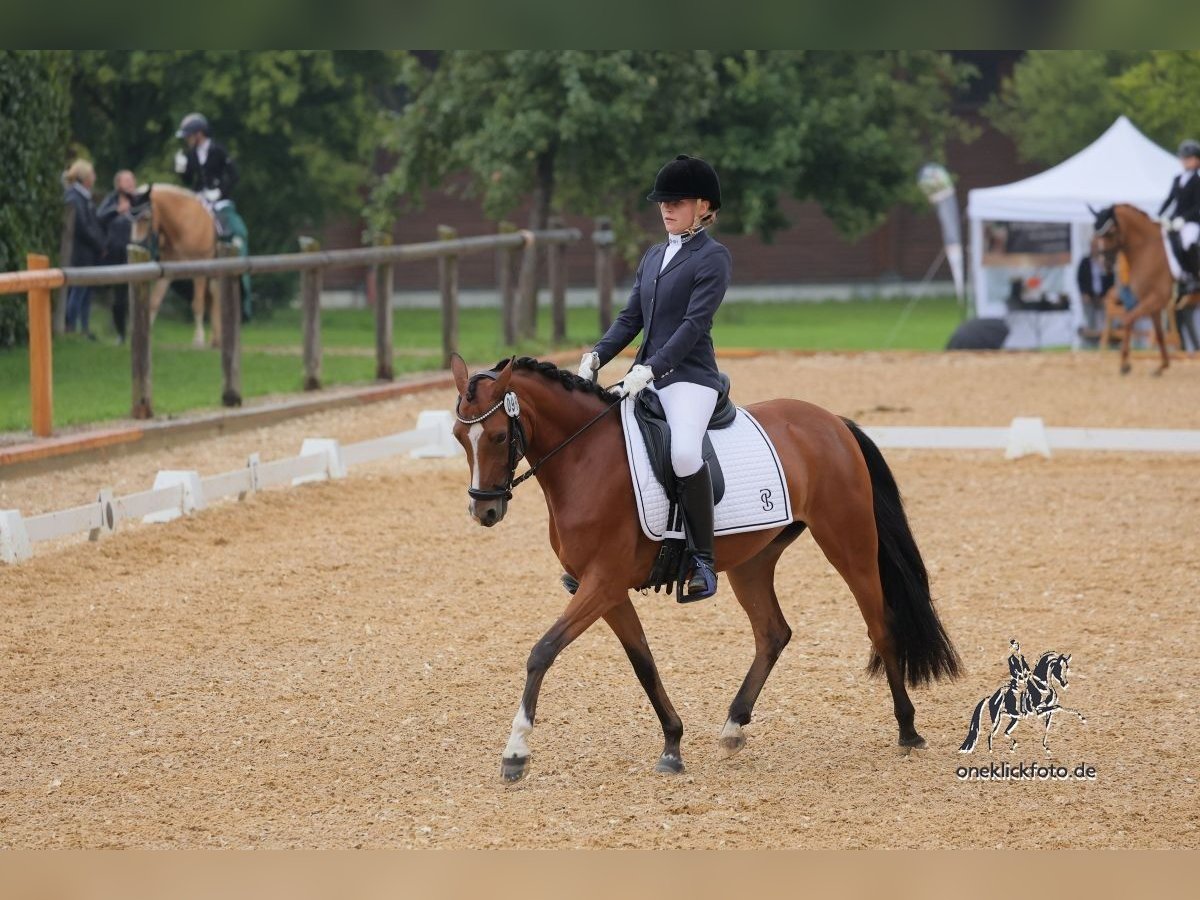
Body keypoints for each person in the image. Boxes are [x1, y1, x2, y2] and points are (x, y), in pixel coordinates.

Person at [578, 155, 731, 602]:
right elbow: (631, 318)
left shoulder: (714, 258)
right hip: (648, 375)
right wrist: (597, 355)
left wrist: (649, 369)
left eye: (677, 202)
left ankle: (703, 559)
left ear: (703, 206)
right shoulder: (654, 255)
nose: (666, 208)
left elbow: (693, 325)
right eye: (663, 201)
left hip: (690, 378)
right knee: (608, 445)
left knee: (684, 453)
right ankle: (604, 555)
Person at [62, 159, 106, 339]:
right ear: (85, 177)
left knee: (86, 292)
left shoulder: (84, 197)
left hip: (88, 252)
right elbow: (83, 227)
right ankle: (71, 326)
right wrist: (99, 244)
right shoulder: (75, 198)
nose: (95, 178)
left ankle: (84, 327)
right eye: (92, 174)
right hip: (80, 253)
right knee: (78, 291)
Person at [97, 169, 138, 343]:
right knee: (119, 296)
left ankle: (138, 331)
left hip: (136, 253)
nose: (130, 183)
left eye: (132, 180)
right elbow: (100, 217)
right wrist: (118, 210)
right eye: (126, 180)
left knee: (137, 294)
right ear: (118, 184)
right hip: (116, 253)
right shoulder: (111, 200)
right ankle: (121, 333)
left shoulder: (140, 200)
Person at [174, 112, 239, 208]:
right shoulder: (190, 154)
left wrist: (220, 192)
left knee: (233, 222)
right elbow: (188, 181)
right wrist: (181, 170)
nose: (186, 139)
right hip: (198, 198)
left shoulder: (218, 150)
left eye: (189, 136)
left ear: (199, 134)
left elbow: (234, 175)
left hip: (219, 200)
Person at [1158, 139, 1200, 280]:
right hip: (1175, 218)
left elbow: (1197, 206)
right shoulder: (1177, 178)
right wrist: (1158, 215)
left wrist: (1184, 219)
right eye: (1184, 158)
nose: (1186, 161)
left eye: (1189, 158)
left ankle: (1194, 274)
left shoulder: (1197, 180)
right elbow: (1169, 200)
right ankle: (1175, 273)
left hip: (1191, 220)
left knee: (1188, 240)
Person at [1075, 238, 1113, 341]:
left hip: (1103, 295)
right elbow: (1080, 278)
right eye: (1093, 246)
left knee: (1105, 318)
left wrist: (1107, 295)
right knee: (1090, 319)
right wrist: (1084, 293)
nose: (1094, 249)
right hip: (1089, 294)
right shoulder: (1085, 262)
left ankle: (1106, 337)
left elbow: (1110, 279)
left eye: (1096, 246)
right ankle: (1091, 339)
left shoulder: (1105, 262)